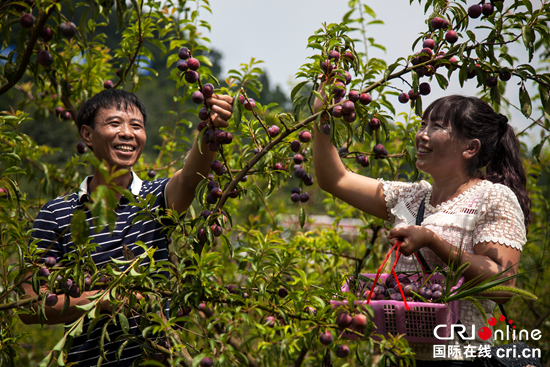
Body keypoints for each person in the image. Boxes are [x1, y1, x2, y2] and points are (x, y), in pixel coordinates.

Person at [19, 88, 233, 366]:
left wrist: (210, 131)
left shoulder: (156, 198)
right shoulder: (56, 214)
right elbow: (29, 305)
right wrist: (102, 299)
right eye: (114, 123)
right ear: (87, 134)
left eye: (137, 126)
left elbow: (191, 178)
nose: (127, 133)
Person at [313, 94, 530, 364]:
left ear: (470, 147)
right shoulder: (411, 197)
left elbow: (503, 285)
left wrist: (432, 240)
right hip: (400, 357)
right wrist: (321, 117)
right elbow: (336, 178)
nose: (422, 135)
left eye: (436, 127)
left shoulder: (492, 198)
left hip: (459, 358)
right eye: (422, 124)